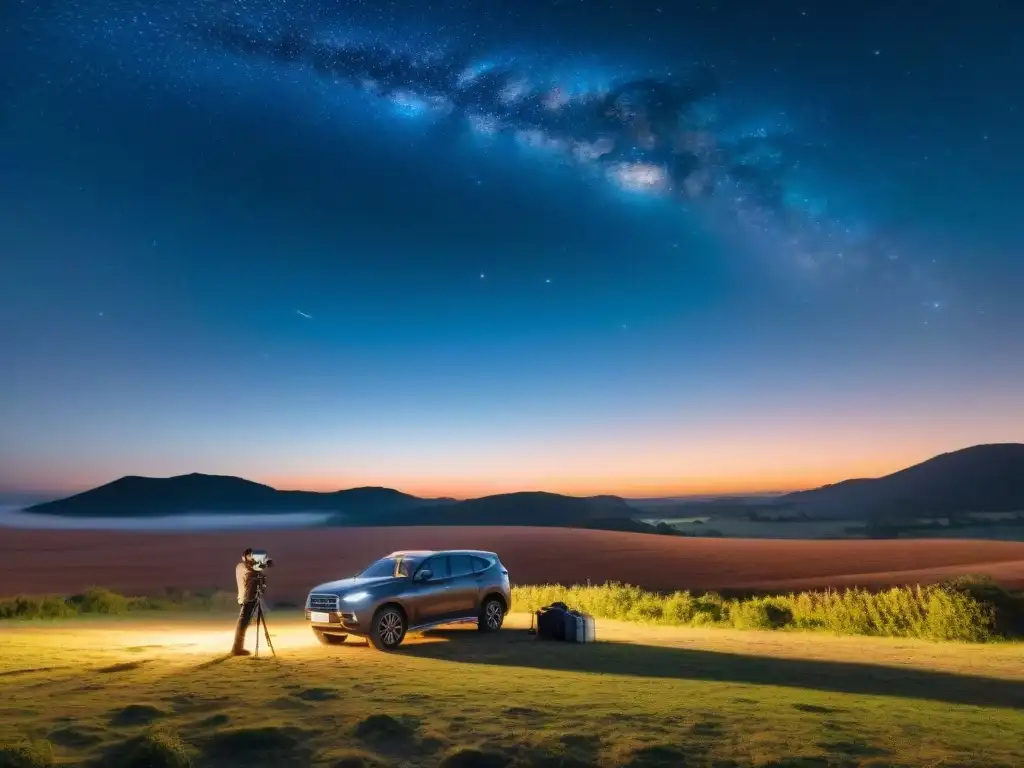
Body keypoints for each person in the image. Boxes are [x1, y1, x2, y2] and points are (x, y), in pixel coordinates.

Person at [231, 548, 258, 656]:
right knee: (243, 622)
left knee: (245, 622)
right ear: (244, 557)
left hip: (250, 597)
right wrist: (257, 566)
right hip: (245, 598)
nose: (251, 557)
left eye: (252, 555)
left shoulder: (250, 566)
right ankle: (237, 649)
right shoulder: (241, 566)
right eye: (249, 555)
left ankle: (239, 647)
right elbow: (250, 572)